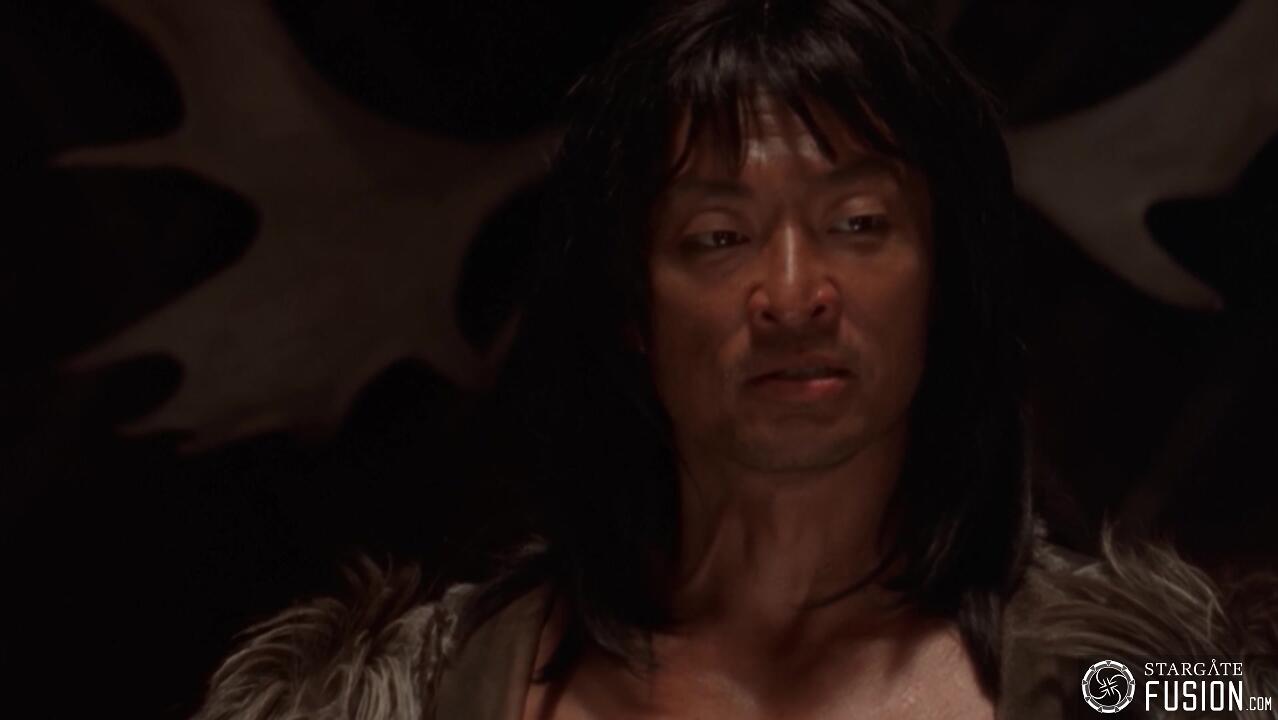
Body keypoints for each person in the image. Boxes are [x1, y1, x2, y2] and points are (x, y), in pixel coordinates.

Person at [192, 1, 1276, 718]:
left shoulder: (1151, 686)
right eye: (718, 237)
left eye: (858, 225)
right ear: (635, 306)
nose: (794, 293)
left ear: (942, 284)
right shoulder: (412, 695)